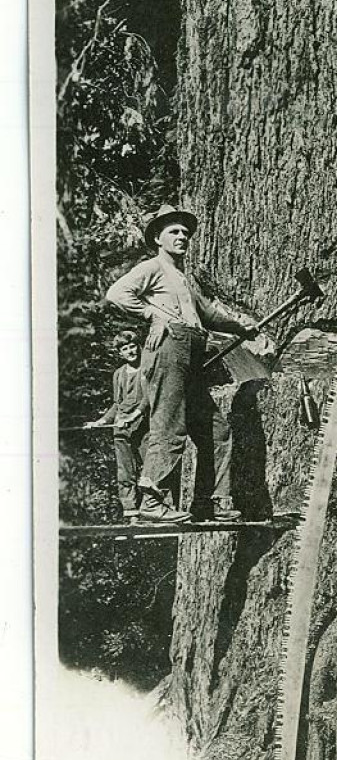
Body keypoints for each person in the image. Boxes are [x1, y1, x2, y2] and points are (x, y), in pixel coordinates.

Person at [106, 204, 258, 524]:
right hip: (168, 350)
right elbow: (118, 292)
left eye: (185, 232)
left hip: (192, 354)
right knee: (169, 424)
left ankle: (212, 501)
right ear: (158, 238)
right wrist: (152, 314)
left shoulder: (183, 279)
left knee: (216, 430)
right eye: (174, 231)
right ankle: (151, 500)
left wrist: (241, 327)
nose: (182, 236)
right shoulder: (153, 267)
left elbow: (210, 314)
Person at [84, 330, 149, 519]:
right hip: (121, 429)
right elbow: (117, 404)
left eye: (132, 346)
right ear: (120, 353)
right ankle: (131, 513)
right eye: (125, 349)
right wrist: (100, 422)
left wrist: (134, 416)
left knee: (150, 470)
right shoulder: (119, 374)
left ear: (139, 346)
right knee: (125, 471)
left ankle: (152, 510)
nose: (130, 351)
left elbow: (149, 398)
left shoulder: (147, 368)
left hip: (144, 427)